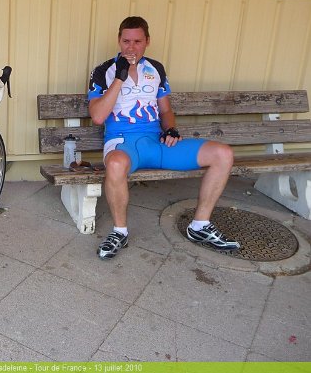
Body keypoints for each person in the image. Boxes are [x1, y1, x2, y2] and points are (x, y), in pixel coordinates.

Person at [87, 16, 240, 259]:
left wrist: (170, 129)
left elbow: (166, 110)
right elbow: (97, 116)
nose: (131, 47)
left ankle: (199, 226)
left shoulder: (155, 69)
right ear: (118, 40)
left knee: (223, 153)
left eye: (137, 41)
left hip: (156, 142)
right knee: (115, 165)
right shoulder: (104, 70)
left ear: (147, 41)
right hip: (123, 143)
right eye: (126, 41)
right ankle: (120, 232)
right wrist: (119, 78)